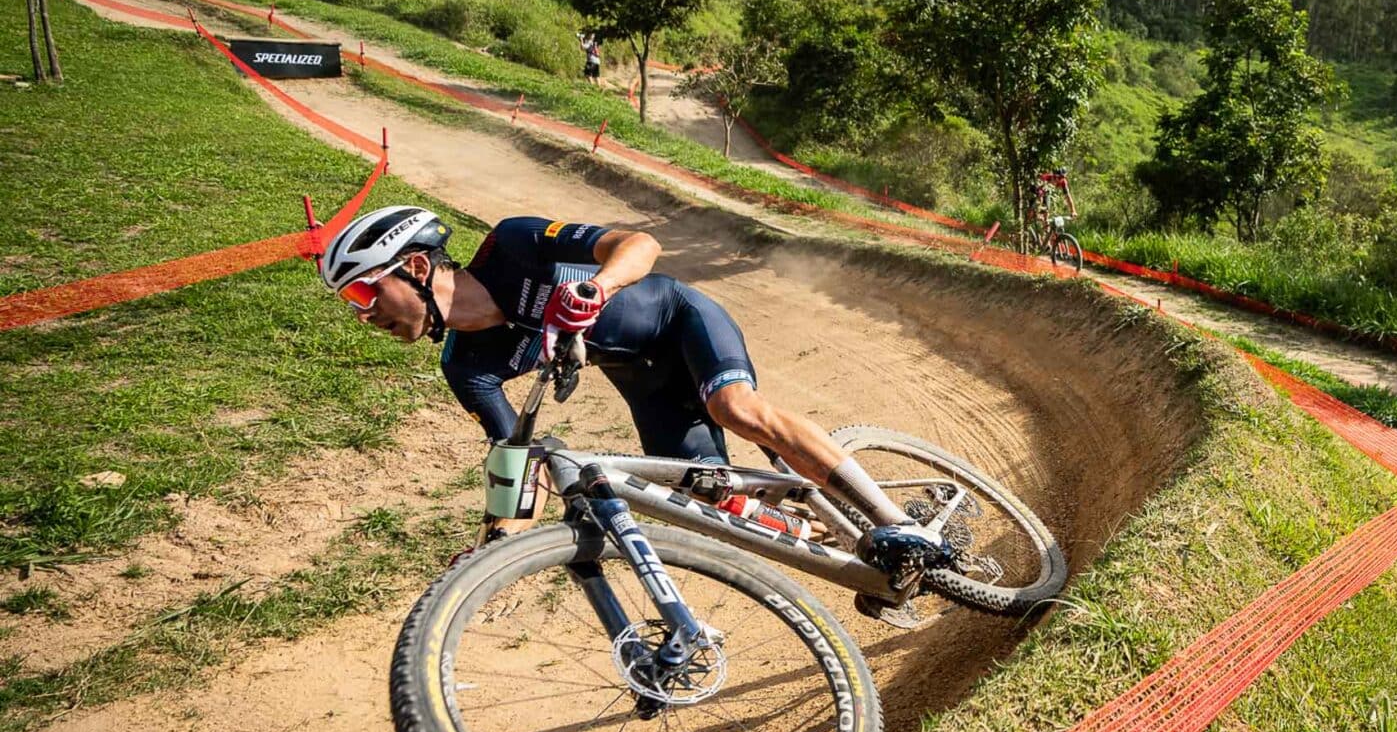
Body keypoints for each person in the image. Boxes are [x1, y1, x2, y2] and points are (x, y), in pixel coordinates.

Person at [316, 205, 948, 574]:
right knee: (707, 498)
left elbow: (639, 243)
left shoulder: (511, 246)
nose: (363, 312)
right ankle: (857, 549)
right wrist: (491, 549)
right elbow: (516, 461)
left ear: (418, 267)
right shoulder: (466, 366)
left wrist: (598, 289)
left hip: (676, 317)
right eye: (353, 300)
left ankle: (903, 527)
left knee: (733, 406)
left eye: (364, 291)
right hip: (641, 373)